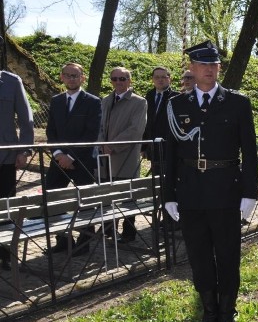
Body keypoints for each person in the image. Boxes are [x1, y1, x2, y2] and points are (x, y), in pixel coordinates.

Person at [163, 41, 258, 322]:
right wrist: (168, 195)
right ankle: (209, 313)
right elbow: (169, 154)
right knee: (199, 256)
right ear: (191, 68)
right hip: (191, 192)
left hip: (226, 190)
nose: (208, 69)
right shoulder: (176, 105)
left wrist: (250, 193)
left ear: (219, 68)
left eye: (213, 64)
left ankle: (228, 314)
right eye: (202, 64)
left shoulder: (237, 103)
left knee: (228, 255)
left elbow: (250, 153)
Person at [45, 62, 102, 255]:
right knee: (52, 197)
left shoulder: (93, 102)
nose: (71, 78)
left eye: (75, 75)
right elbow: (51, 130)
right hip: (58, 159)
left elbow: (91, 133)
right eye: (68, 75)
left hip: (82, 159)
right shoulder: (56, 101)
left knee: (85, 201)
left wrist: (71, 156)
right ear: (61, 77)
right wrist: (59, 154)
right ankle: (62, 238)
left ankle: (85, 242)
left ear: (82, 78)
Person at [98, 66, 147, 242]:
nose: (118, 82)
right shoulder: (105, 100)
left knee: (127, 196)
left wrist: (113, 145)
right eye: (115, 78)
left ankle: (128, 232)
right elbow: (100, 126)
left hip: (125, 156)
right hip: (105, 157)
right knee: (106, 195)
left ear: (129, 81)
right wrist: (101, 144)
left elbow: (135, 129)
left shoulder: (139, 102)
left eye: (122, 79)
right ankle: (108, 229)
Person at [0, 66, 34, 270]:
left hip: (4, 156)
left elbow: (26, 118)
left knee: (6, 208)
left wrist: (24, 150)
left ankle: (6, 253)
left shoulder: (12, 81)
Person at [142, 66, 178, 171]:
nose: (160, 79)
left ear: (169, 79)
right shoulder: (148, 96)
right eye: (157, 77)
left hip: (169, 146)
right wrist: (143, 147)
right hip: (152, 146)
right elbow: (145, 122)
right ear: (152, 79)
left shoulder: (176, 97)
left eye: (163, 77)